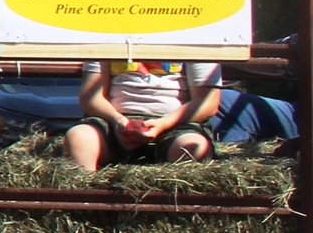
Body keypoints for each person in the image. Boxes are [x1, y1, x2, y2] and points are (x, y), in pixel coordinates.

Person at [68, 58, 221, 171]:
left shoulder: (199, 35)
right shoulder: (106, 34)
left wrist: (162, 125)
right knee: (79, 137)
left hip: (177, 124)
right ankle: (88, 206)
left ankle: (177, 210)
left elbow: (207, 103)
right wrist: (119, 121)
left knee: (194, 147)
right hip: (113, 119)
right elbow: (90, 98)